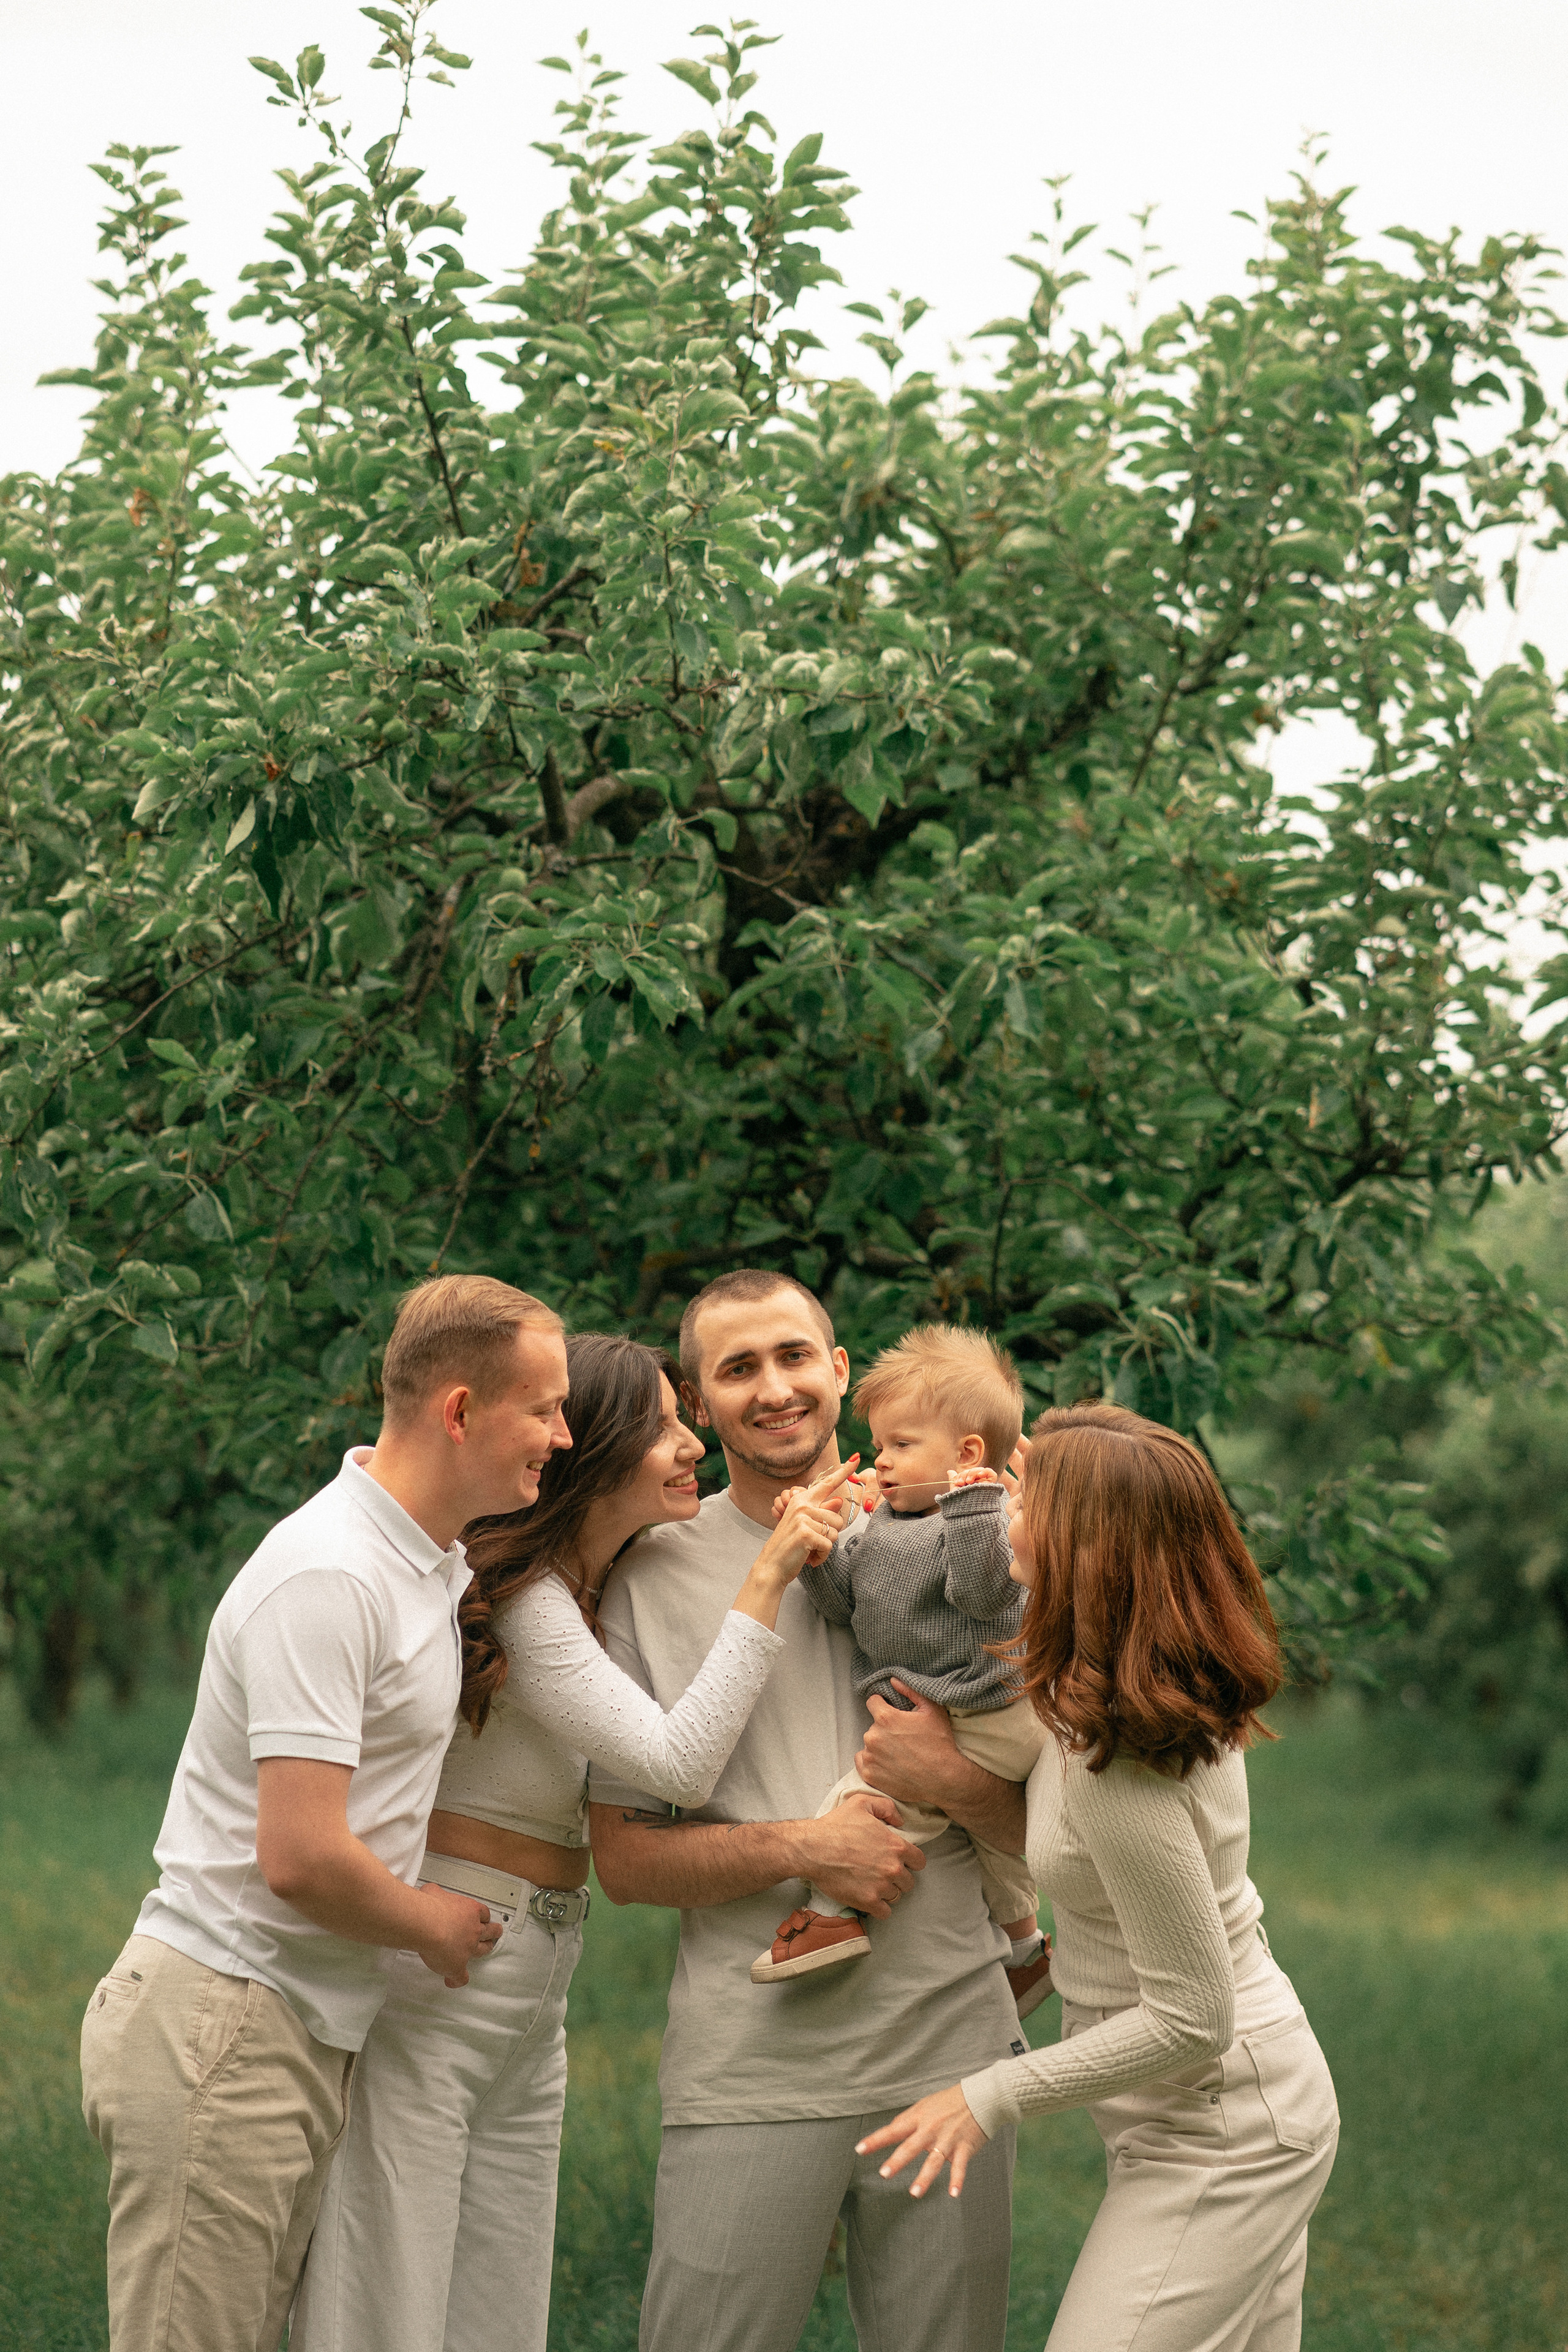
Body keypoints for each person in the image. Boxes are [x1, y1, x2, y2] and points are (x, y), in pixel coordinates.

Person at [292, 1333, 848, 2352]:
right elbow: (677, 1767)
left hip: (536, 1976)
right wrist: (766, 1575)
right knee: (389, 2294)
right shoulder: (531, 1601)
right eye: (665, 1430)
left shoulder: (595, 1596)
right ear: (594, 1454)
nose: (691, 1448)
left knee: (501, 2305)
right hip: (445, 1966)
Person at [80, 1274, 572, 2352]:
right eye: (543, 1408)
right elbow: (300, 1856)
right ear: (458, 1411)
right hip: (223, 2024)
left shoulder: (424, 1566)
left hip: (290, 2027)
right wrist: (431, 1923)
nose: (562, 1433)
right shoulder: (329, 1575)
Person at [589, 1270, 1031, 2352]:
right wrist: (806, 1846)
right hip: (754, 2064)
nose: (774, 1387)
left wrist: (958, 1784)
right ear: (698, 1402)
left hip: (953, 2053)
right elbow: (626, 1863)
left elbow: (1067, 1827)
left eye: (794, 1356)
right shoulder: (648, 1575)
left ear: (839, 1371)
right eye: (738, 1369)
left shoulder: (987, 1544)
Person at [858, 1402, 1340, 2352]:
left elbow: (1193, 2015)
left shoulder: (1123, 1754)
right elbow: (1081, 1863)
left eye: (1025, 1494)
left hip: (1226, 2126)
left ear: (1086, 1547)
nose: (1000, 1502)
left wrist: (987, 2095)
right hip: (1199, 2108)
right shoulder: (1102, 1684)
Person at [752, 1325, 1050, 2007]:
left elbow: (983, 1593)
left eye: (901, 1446)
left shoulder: (982, 1521)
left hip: (991, 1705)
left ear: (967, 1455)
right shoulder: (881, 1523)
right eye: (881, 1445)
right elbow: (845, 1609)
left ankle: (829, 1915)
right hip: (959, 1708)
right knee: (988, 1842)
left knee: (864, 1799)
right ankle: (1026, 1950)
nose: (881, 1462)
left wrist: (973, 1503)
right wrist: (818, 1556)